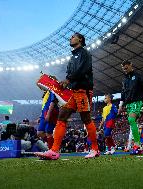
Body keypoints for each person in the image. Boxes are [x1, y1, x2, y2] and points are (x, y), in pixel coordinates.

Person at [35, 32, 99, 160]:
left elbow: (82, 70)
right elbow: (71, 74)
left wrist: (68, 80)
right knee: (62, 115)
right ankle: (54, 150)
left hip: (83, 90)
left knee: (86, 118)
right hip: (74, 91)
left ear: (80, 39)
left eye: (73, 36)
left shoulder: (84, 53)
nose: (70, 38)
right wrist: (63, 84)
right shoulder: (72, 57)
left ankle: (95, 149)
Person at [118, 60, 143, 155]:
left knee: (131, 119)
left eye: (126, 67)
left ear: (131, 65)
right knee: (132, 122)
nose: (125, 70)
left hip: (137, 102)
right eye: (123, 69)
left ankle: (137, 145)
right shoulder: (124, 80)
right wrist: (120, 106)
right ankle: (138, 146)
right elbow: (123, 94)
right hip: (128, 104)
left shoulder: (138, 76)